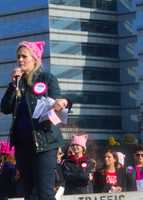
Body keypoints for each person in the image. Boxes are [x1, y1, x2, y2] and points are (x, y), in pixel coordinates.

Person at [0, 40, 70, 200]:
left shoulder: (46, 78)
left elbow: (57, 99)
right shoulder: (18, 84)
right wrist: (12, 86)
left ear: (35, 59)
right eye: (18, 57)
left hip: (44, 143)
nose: (20, 60)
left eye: (24, 56)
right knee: (29, 193)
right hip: (22, 145)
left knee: (44, 193)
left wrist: (60, 103)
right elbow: (4, 108)